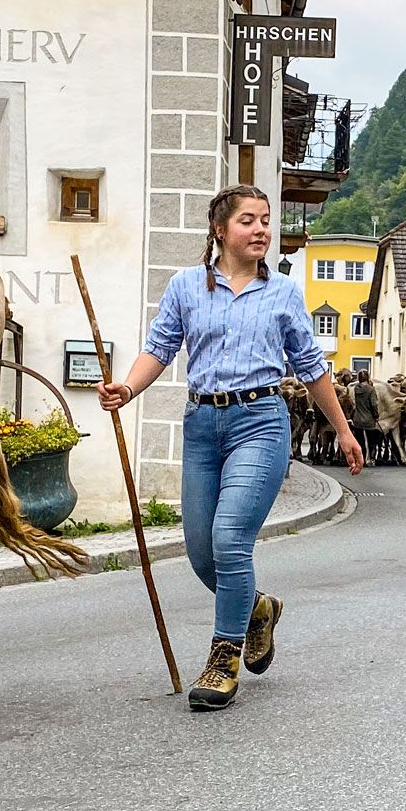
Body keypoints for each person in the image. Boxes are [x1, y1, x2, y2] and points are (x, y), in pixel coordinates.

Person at [99, 183, 363, 712]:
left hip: (260, 422)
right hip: (201, 425)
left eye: (265, 219)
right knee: (201, 554)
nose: (261, 229)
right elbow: (160, 348)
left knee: (230, 538)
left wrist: (342, 428)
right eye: (248, 220)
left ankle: (223, 659)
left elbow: (311, 366)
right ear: (220, 230)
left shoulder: (284, 292)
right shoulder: (185, 286)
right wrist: (127, 389)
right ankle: (258, 609)